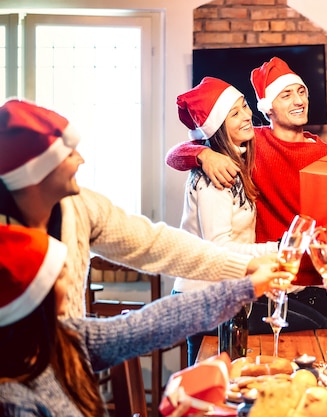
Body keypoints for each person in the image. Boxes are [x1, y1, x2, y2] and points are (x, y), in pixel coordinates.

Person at [0, 99, 273, 319]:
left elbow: (154, 243)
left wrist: (247, 265)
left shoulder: (81, 207)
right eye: (69, 155)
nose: (81, 160)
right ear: (37, 174)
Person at [0, 223, 288, 416]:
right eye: (60, 276)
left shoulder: (65, 337)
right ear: (36, 299)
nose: (71, 279)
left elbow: (153, 323)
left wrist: (247, 287)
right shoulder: (12, 399)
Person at [165, 57, 327, 328]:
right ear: (269, 108)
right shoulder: (251, 144)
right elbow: (175, 154)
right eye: (287, 94)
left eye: (302, 91)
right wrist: (204, 155)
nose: (298, 101)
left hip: (311, 284)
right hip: (260, 284)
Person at [172, 76, 278, 362]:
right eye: (234, 113)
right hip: (204, 298)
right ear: (218, 127)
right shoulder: (214, 175)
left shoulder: (234, 163)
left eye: (244, 106)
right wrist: (277, 250)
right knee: (213, 390)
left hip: (222, 294)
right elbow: (219, 248)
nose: (247, 116)